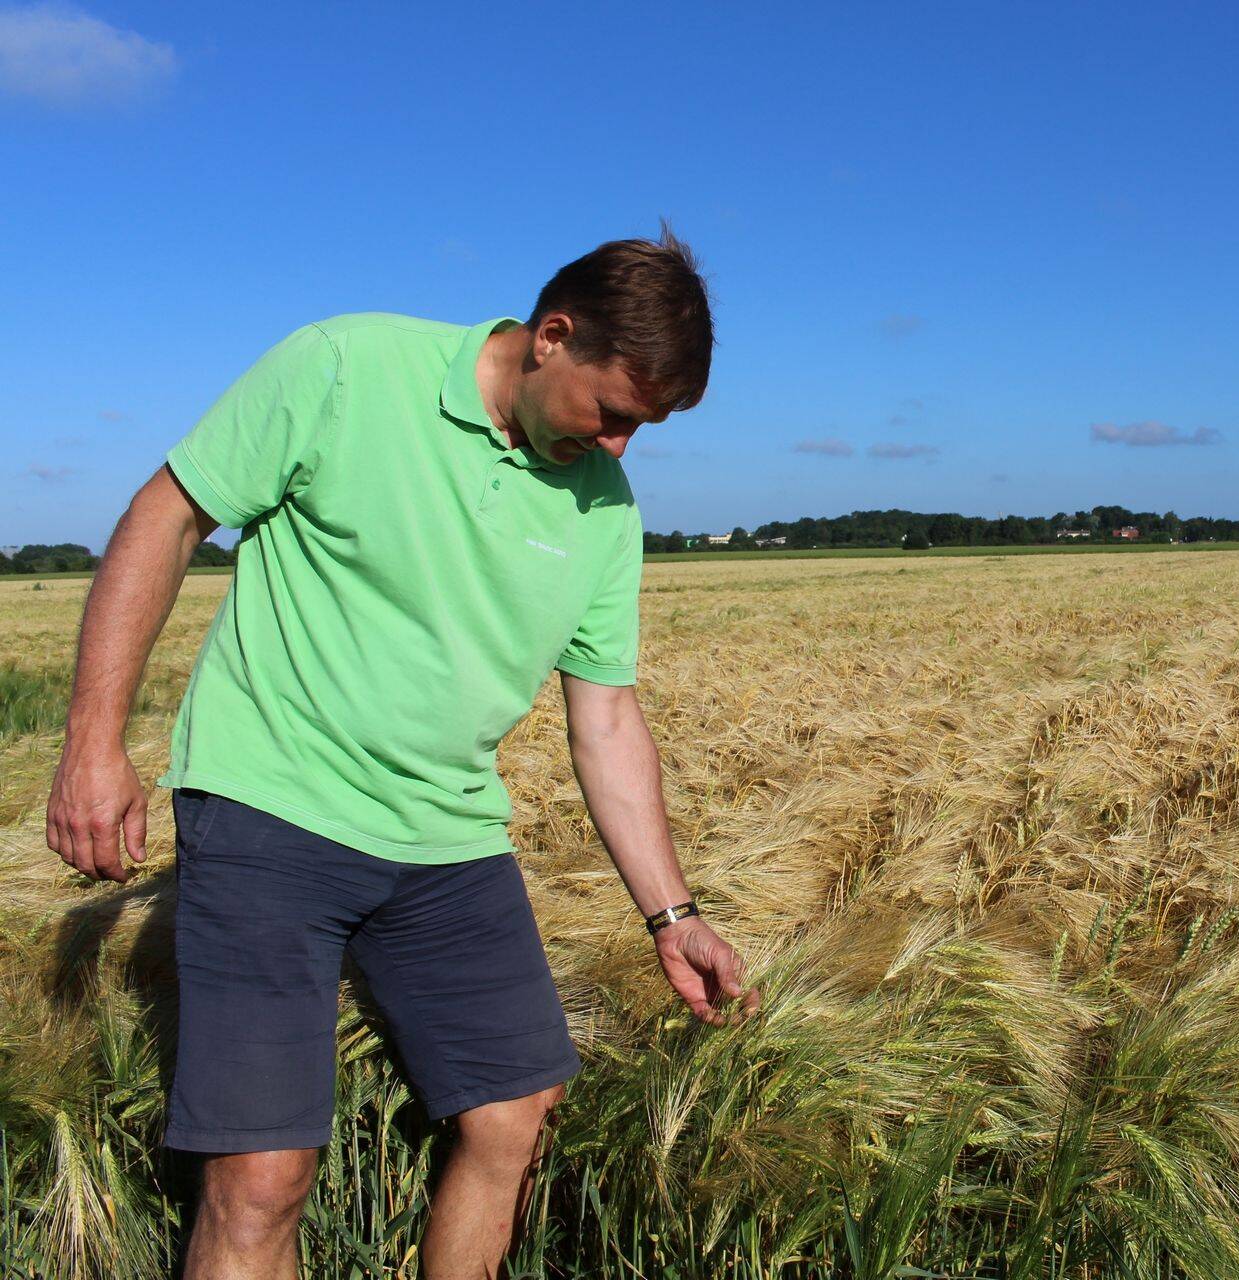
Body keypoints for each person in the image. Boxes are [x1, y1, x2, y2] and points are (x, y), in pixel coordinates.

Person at [44, 227, 759, 1278]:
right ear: (551, 336)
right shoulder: (345, 367)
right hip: (270, 807)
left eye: (642, 429)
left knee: (516, 1112)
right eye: (613, 414)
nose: (619, 449)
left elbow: (605, 717)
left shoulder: (604, 509)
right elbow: (168, 512)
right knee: (262, 1179)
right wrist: (92, 744)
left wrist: (673, 913)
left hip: (446, 837)